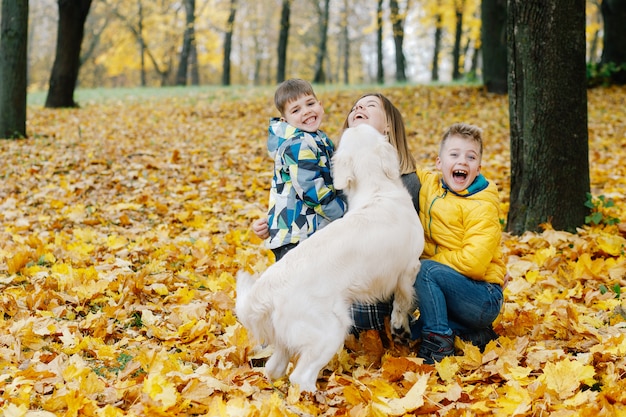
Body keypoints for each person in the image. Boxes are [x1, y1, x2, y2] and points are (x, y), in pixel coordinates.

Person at [411, 122, 506, 364]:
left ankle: (439, 347)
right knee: (409, 335)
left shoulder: (482, 205)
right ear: (439, 163)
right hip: (450, 291)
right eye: (454, 155)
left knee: (424, 271)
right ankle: (474, 335)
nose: (462, 161)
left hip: (482, 297)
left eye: (470, 157)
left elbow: (473, 263)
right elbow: (403, 163)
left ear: (478, 168)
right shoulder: (430, 184)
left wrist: (427, 264)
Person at [262, 78, 346, 262]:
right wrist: (343, 213)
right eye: (296, 110)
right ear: (286, 120)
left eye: (310, 103)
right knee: (296, 286)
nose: (306, 111)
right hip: (296, 234)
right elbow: (311, 191)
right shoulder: (298, 144)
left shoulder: (317, 138)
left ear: (320, 106)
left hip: (308, 229)